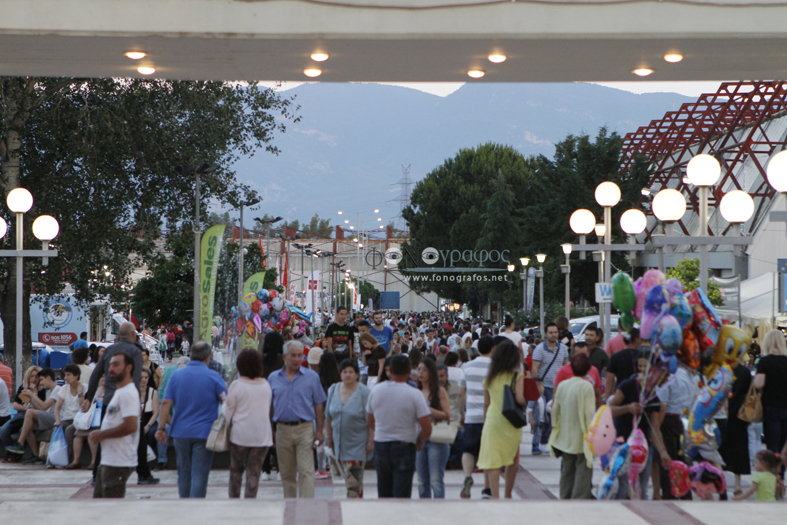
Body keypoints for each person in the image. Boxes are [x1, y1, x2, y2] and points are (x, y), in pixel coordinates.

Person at [156, 341, 227, 498]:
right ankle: (195, 510)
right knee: (199, 474)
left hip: (180, 431)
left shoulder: (176, 375)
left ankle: (184, 504)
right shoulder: (214, 377)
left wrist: (161, 428)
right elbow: (226, 402)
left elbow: (166, 402)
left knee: (184, 472)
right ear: (209, 357)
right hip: (204, 432)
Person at [366, 354, 432, 498]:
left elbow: (370, 420)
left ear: (389, 370)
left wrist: (382, 431)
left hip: (381, 445)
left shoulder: (376, 391)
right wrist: (420, 441)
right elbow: (426, 426)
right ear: (409, 371)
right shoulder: (414, 394)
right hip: (404, 446)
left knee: (384, 490)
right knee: (401, 493)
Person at [608, 350, 671, 499]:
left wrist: (662, 452)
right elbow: (608, 409)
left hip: (643, 446)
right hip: (623, 444)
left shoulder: (653, 394)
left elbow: (655, 428)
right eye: (640, 366)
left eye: (646, 366)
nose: (642, 370)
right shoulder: (627, 386)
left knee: (642, 489)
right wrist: (627, 408)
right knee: (623, 489)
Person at [268, 340, 326, 498]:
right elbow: (269, 405)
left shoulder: (311, 377)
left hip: (304, 429)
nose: (296, 359)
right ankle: (291, 505)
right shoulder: (273, 378)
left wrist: (319, 430)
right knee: (286, 473)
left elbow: (318, 404)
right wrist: (270, 429)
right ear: (284, 357)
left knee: (306, 471)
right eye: (293, 355)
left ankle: (306, 509)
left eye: (299, 355)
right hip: (282, 429)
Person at [478, 339, 527, 499]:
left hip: (493, 420)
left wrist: (486, 421)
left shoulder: (490, 377)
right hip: (511, 422)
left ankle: (495, 497)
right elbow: (520, 399)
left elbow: (486, 404)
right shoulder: (517, 376)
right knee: (512, 459)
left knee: (493, 461)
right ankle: (507, 495)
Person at [224, 349, 273, 499]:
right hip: (262, 436)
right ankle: (250, 502)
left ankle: (234, 500)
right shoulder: (266, 385)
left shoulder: (237, 385)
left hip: (240, 435)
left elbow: (227, 413)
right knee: (254, 471)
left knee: (236, 470)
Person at [90, 353, 140, 498]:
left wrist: (102, 434)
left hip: (119, 462)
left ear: (129, 368)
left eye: (116, 364)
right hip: (108, 460)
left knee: (111, 510)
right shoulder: (120, 392)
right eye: (110, 364)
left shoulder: (128, 394)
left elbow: (131, 425)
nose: (111, 368)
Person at [548, 353, 596, 499]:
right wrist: (592, 434)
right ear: (588, 369)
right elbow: (589, 413)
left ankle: (565, 497)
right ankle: (579, 499)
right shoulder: (587, 387)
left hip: (565, 436)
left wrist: (555, 427)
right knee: (583, 469)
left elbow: (555, 409)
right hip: (582, 437)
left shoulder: (562, 385)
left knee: (567, 470)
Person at [325, 359, 372, 498]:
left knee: (353, 485)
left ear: (357, 374)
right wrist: (330, 438)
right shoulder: (333, 389)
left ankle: (353, 512)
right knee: (351, 482)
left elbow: (371, 419)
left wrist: (371, 441)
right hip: (339, 445)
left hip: (357, 445)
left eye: (351, 372)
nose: (347, 375)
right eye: (344, 372)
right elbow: (328, 416)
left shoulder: (364, 392)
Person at [458, 335, 493, 498]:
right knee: (487, 451)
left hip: (471, 415)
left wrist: (461, 414)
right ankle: (487, 487)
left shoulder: (467, 366)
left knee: (468, 450)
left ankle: (467, 477)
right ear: (493, 349)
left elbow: (460, 394)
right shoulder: (495, 367)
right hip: (490, 416)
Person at [656, 365, 697, 500]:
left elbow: (663, 405)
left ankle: (669, 495)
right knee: (681, 461)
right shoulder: (685, 374)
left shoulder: (667, 376)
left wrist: (656, 428)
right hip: (682, 420)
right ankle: (685, 494)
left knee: (668, 463)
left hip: (668, 420)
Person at [530, 322, 569, 454]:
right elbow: (535, 368)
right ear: (546, 334)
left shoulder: (563, 348)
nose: (554, 335)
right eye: (551, 332)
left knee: (555, 416)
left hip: (559, 388)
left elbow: (566, 366)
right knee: (543, 415)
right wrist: (537, 385)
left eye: (556, 332)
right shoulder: (540, 349)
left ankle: (549, 441)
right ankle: (540, 442)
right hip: (544, 386)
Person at [6, 368, 60, 461]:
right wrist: (31, 400)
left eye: (42, 380)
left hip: (55, 418)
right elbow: (42, 409)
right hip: (48, 417)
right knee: (26, 428)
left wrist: (32, 395)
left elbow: (45, 407)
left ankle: (20, 443)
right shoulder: (49, 392)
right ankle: (36, 455)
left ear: (48, 378)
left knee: (29, 412)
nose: (41, 383)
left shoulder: (57, 389)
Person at [415, 359, 451, 499]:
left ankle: (438, 510)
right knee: (422, 481)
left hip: (437, 438)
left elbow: (447, 415)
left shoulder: (439, 391)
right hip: (419, 438)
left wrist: (428, 409)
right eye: (418, 369)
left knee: (436, 481)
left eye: (424, 369)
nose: (420, 373)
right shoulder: (416, 391)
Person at [754, 329, 787, 460]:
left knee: (772, 445)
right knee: (783, 444)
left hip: (771, 406)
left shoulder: (765, 361)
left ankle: (773, 476)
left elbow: (759, 384)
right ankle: (781, 475)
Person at [553, 342, 602, 408]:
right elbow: (556, 394)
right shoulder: (563, 371)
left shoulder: (593, 370)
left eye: (584, 355)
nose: (581, 358)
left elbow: (598, 394)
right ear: (573, 355)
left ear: (588, 354)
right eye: (578, 355)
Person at [53, 364, 84, 461]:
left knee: (69, 430)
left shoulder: (84, 388)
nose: (66, 378)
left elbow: (83, 406)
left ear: (76, 376)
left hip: (79, 419)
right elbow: (57, 407)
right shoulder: (64, 388)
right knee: (57, 428)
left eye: (69, 375)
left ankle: (69, 456)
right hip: (67, 418)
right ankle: (54, 456)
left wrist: (80, 393)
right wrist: (58, 420)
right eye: (65, 375)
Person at [136, 367, 160, 485]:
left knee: (151, 433)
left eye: (146, 377)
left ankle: (149, 461)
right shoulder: (133, 392)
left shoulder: (152, 392)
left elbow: (156, 412)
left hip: (149, 421)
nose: (144, 380)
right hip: (136, 422)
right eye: (141, 378)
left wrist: (148, 425)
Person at [605, 328, 641, 399]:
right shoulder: (641, 356)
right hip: (638, 394)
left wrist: (607, 399)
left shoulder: (615, 357)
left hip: (620, 394)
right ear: (636, 339)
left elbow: (609, 380)